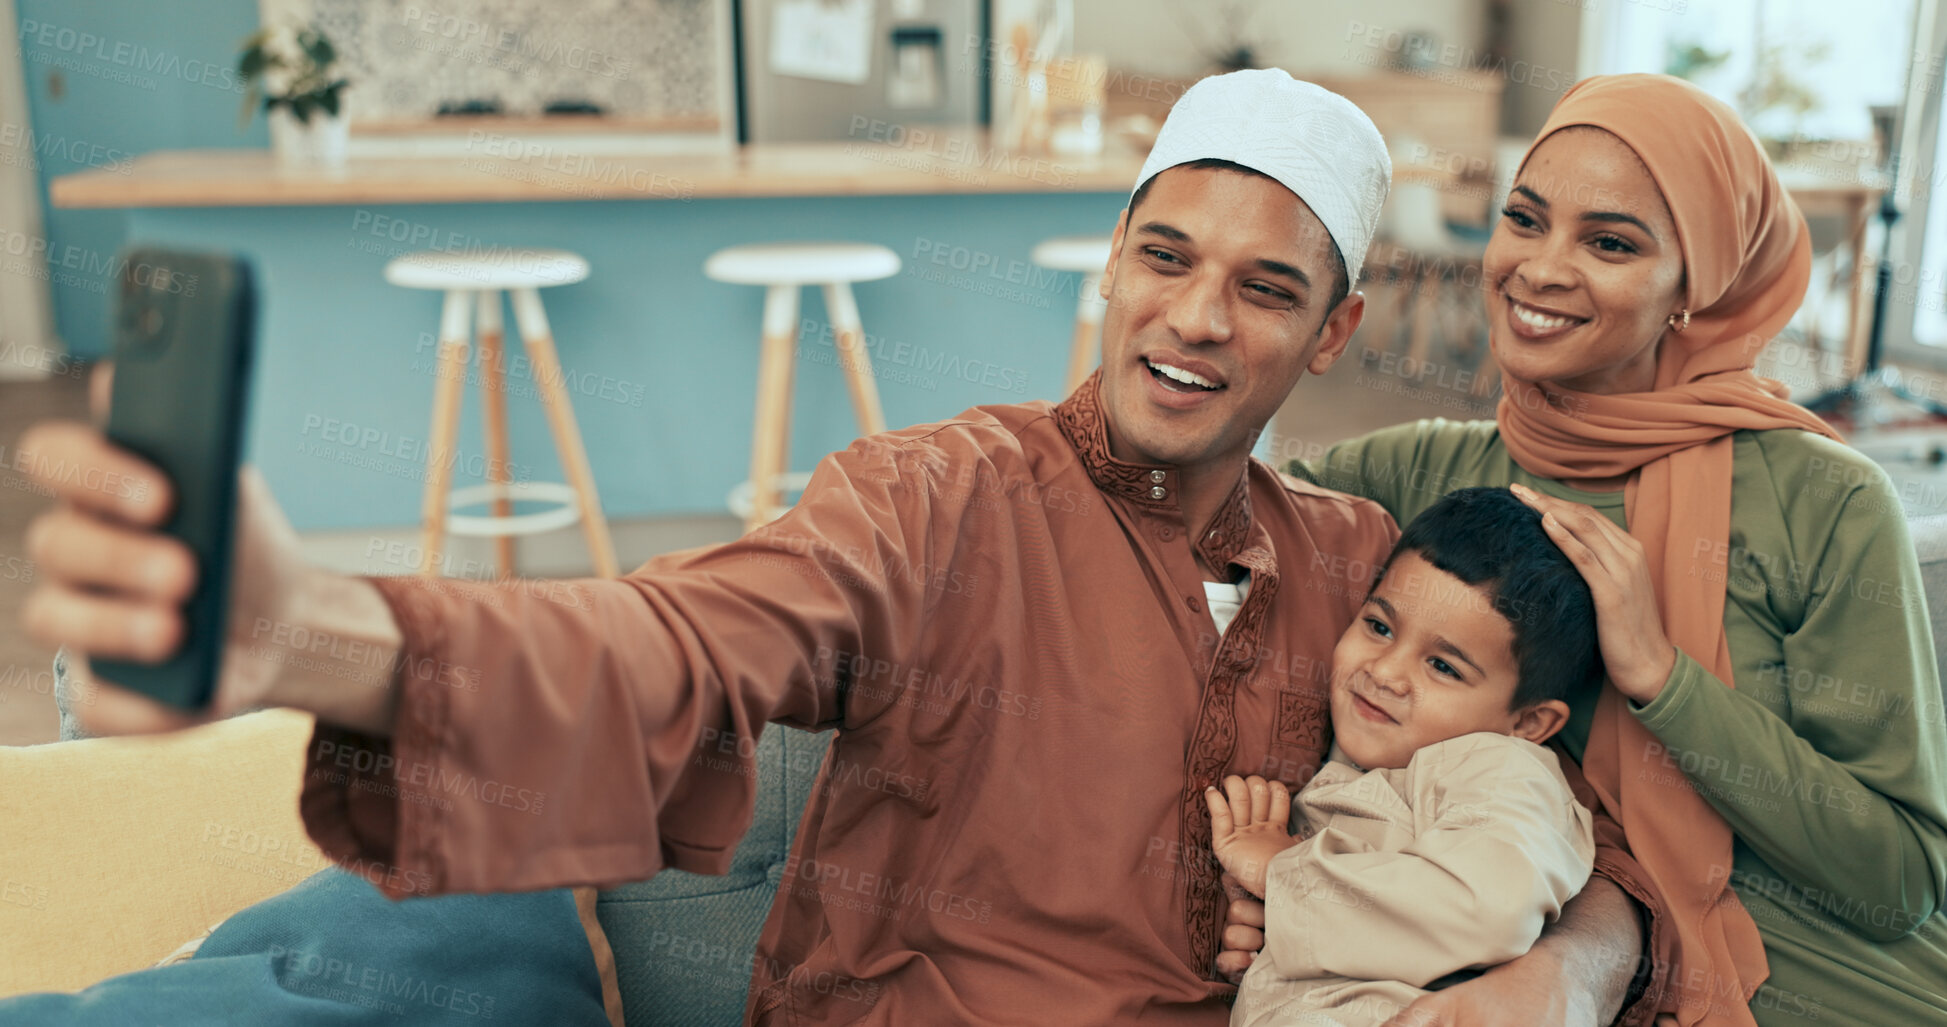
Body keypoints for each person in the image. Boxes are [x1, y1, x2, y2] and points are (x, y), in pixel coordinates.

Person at [18, 70, 1657, 1025]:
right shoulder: (937, 496)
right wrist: (307, 637)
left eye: (1264, 288)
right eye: (1164, 256)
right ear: (1113, 260)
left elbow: (1546, 785)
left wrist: (1579, 959)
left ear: (1332, 333)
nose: (1193, 316)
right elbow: (673, 639)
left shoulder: (1359, 564)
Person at [1226, 74, 1947, 1024]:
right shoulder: (1423, 473)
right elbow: (1199, 505)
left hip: (1838, 995)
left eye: (1609, 242)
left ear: (1696, 286)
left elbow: (1896, 880)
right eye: (1524, 220)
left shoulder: (1821, 499)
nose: (1542, 267)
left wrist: (1661, 677)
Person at [1207, 487, 1602, 1027]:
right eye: (1379, 626)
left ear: (1528, 723)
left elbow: (1487, 908)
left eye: (1443, 667)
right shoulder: (1358, 763)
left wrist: (1282, 873)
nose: (1385, 672)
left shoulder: (1503, 773)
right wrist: (1268, 935)